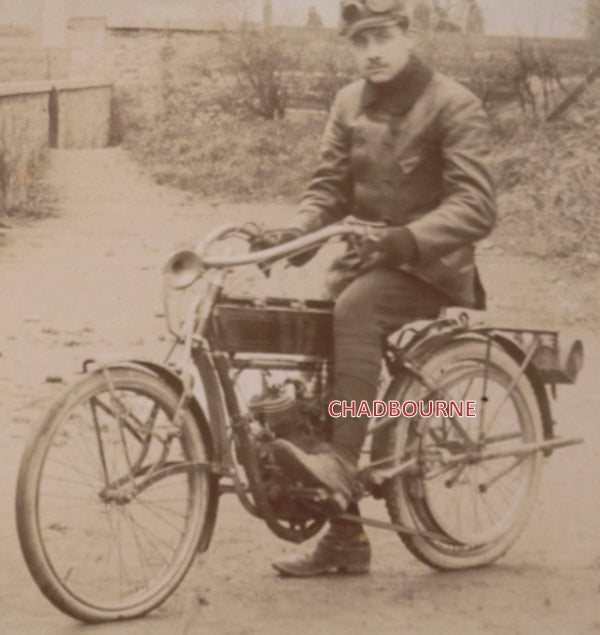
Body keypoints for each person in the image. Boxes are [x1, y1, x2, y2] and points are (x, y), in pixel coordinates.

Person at [262, 0, 497, 577]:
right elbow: (328, 188)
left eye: (383, 38)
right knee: (305, 329)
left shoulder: (453, 103)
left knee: (355, 310)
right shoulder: (348, 102)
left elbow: (477, 206)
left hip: (429, 267)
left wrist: (401, 241)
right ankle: (343, 537)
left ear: (408, 36)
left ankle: (340, 464)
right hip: (362, 263)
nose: (371, 52)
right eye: (359, 41)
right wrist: (296, 230)